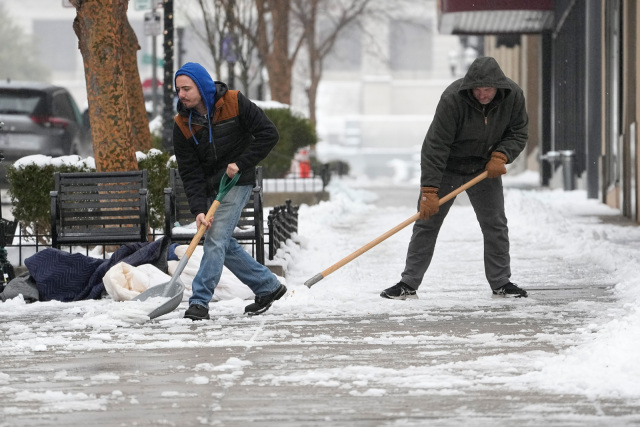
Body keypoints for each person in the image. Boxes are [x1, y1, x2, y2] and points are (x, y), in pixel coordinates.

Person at [380, 56, 529, 300]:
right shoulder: (453, 99)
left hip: (484, 169)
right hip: (448, 167)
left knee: (495, 225)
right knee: (427, 223)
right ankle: (408, 283)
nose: (482, 94)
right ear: (470, 86)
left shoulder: (513, 96)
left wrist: (502, 155)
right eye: (478, 90)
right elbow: (435, 145)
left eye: (488, 89)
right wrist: (429, 190)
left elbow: (519, 131)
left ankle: (501, 282)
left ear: (498, 87)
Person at [173, 62, 286, 320]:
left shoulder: (234, 102)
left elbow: (269, 134)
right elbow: (190, 172)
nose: (181, 95)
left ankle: (199, 301)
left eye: (186, 89)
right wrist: (199, 210)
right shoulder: (182, 124)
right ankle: (268, 286)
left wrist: (242, 162)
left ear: (201, 87)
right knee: (222, 241)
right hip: (211, 188)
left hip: (236, 182)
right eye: (178, 90)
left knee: (214, 240)